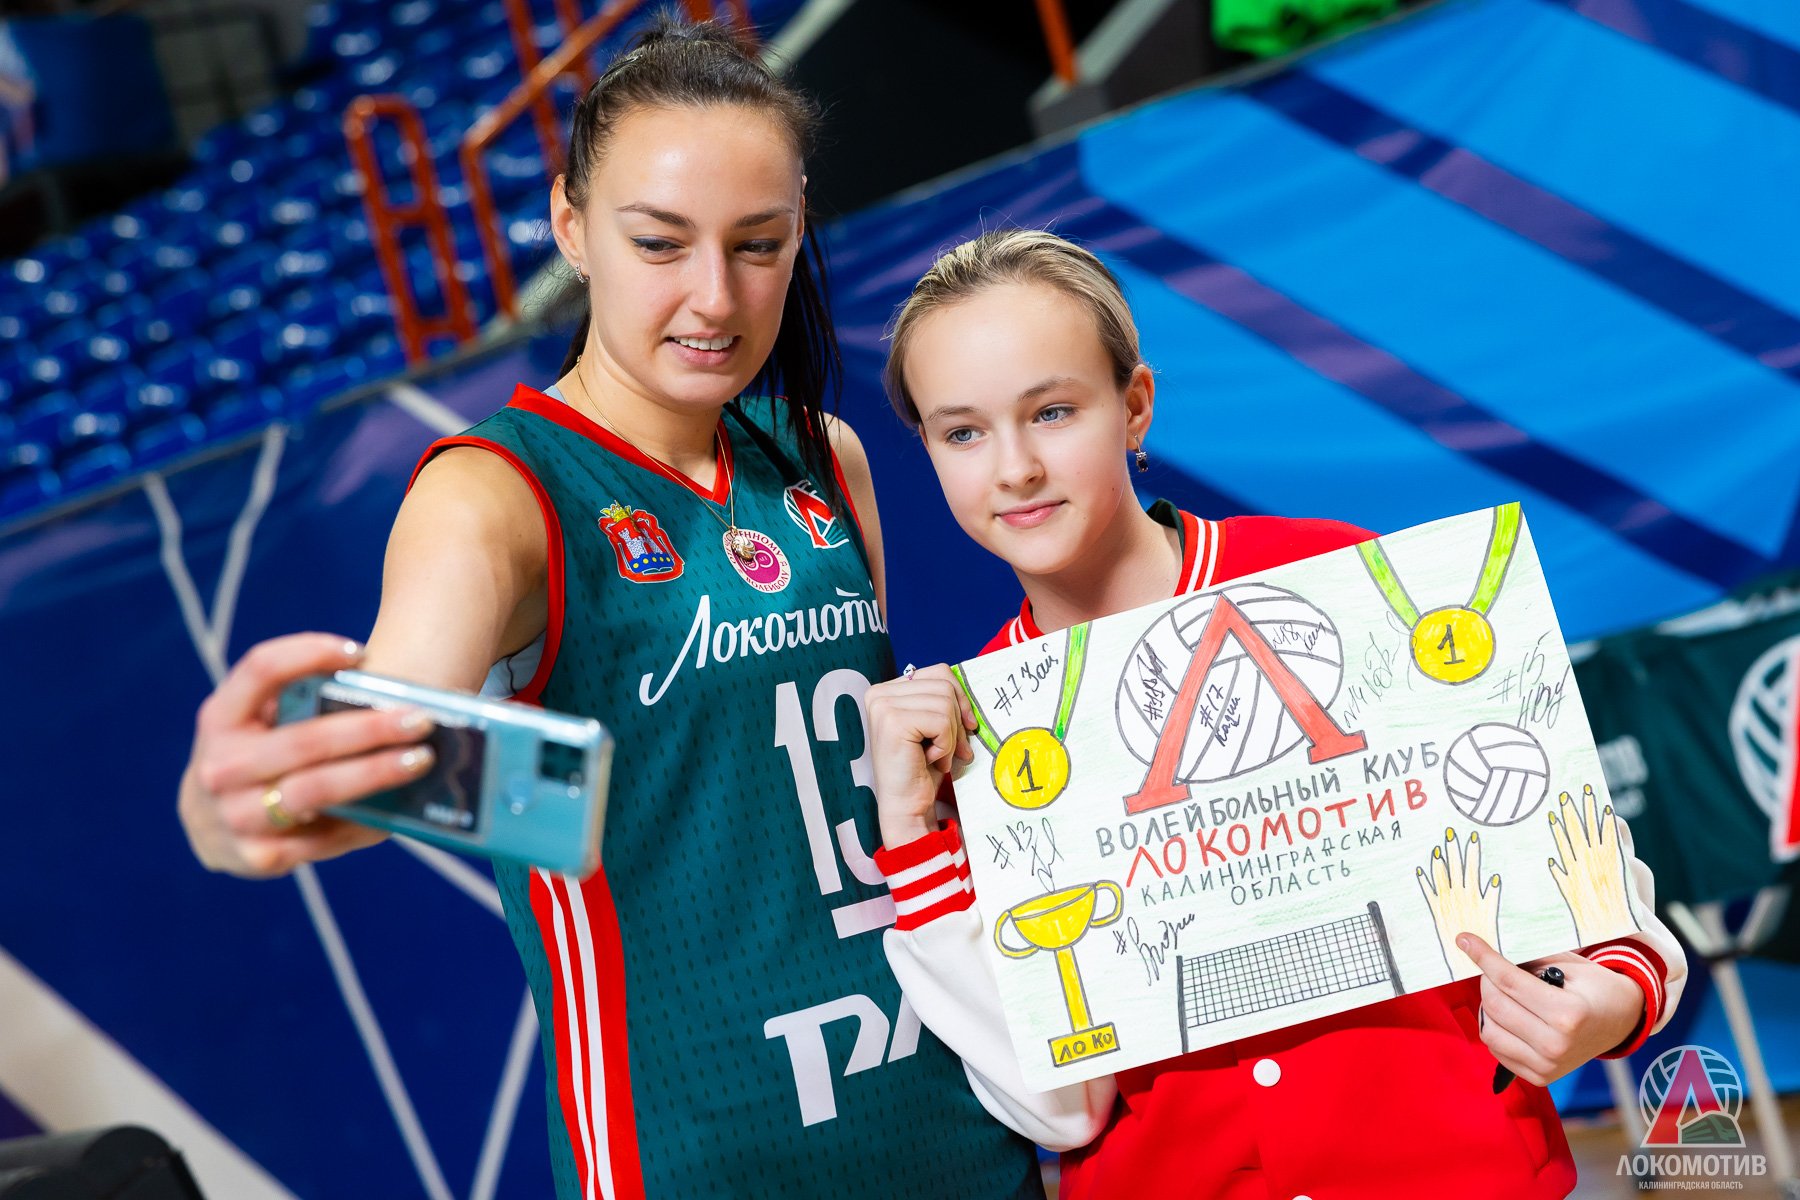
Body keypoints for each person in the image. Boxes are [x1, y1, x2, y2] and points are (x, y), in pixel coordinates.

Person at [175, 22, 1045, 1200]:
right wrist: (251, 802)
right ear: (573, 228)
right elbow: (381, 752)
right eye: (660, 242)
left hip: (953, 1124)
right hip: (700, 1161)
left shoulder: (824, 456)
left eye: (759, 245)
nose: (715, 296)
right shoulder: (496, 494)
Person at [862, 228, 1685, 1200]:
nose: (1014, 468)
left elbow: (1599, 908)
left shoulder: (1349, 581)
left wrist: (1605, 999)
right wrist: (912, 832)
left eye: (1052, 412)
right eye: (963, 432)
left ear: (1134, 406)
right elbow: (1061, 1109)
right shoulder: (976, 734)